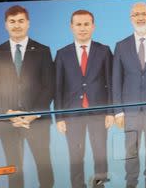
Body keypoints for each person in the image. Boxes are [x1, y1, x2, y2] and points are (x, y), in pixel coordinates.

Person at [0, 5, 54, 188]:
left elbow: (49, 86)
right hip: (9, 122)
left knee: (45, 169)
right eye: (12, 21)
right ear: (6, 25)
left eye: (21, 21)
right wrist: (8, 113)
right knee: (14, 171)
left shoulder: (42, 50)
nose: (17, 25)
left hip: (37, 121)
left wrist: (33, 113)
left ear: (28, 23)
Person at [55, 10, 114, 188]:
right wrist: (59, 117)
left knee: (100, 155)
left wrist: (111, 112)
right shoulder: (62, 54)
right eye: (78, 25)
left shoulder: (104, 51)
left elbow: (111, 83)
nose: (82, 28)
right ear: (72, 27)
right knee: (75, 157)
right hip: (72, 115)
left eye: (86, 24)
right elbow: (58, 88)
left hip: (99, 113)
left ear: (93, 27)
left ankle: (99, 185)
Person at [112, 2, 146, 188]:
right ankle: (131, 182)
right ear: (131, 18)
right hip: (130, 111)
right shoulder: (121, 45)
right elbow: (116, 80)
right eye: (136, 14)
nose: (141, 17)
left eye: (144, 13)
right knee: (131, 150)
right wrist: (118, 111)